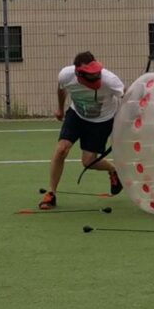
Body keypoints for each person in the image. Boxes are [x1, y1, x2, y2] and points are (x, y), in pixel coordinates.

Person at [39, 51, 125, 209]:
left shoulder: (110, 80)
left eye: (97, 73)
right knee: (61, 150)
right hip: (77, 114)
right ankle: (51, 194)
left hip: (102, 120)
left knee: (88, 162)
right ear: (78, 73)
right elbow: (61, 88)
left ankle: (113, 170)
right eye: (91, 75)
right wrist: (60, 108)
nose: (96, 77)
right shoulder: (65, 75)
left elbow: (126, 96)